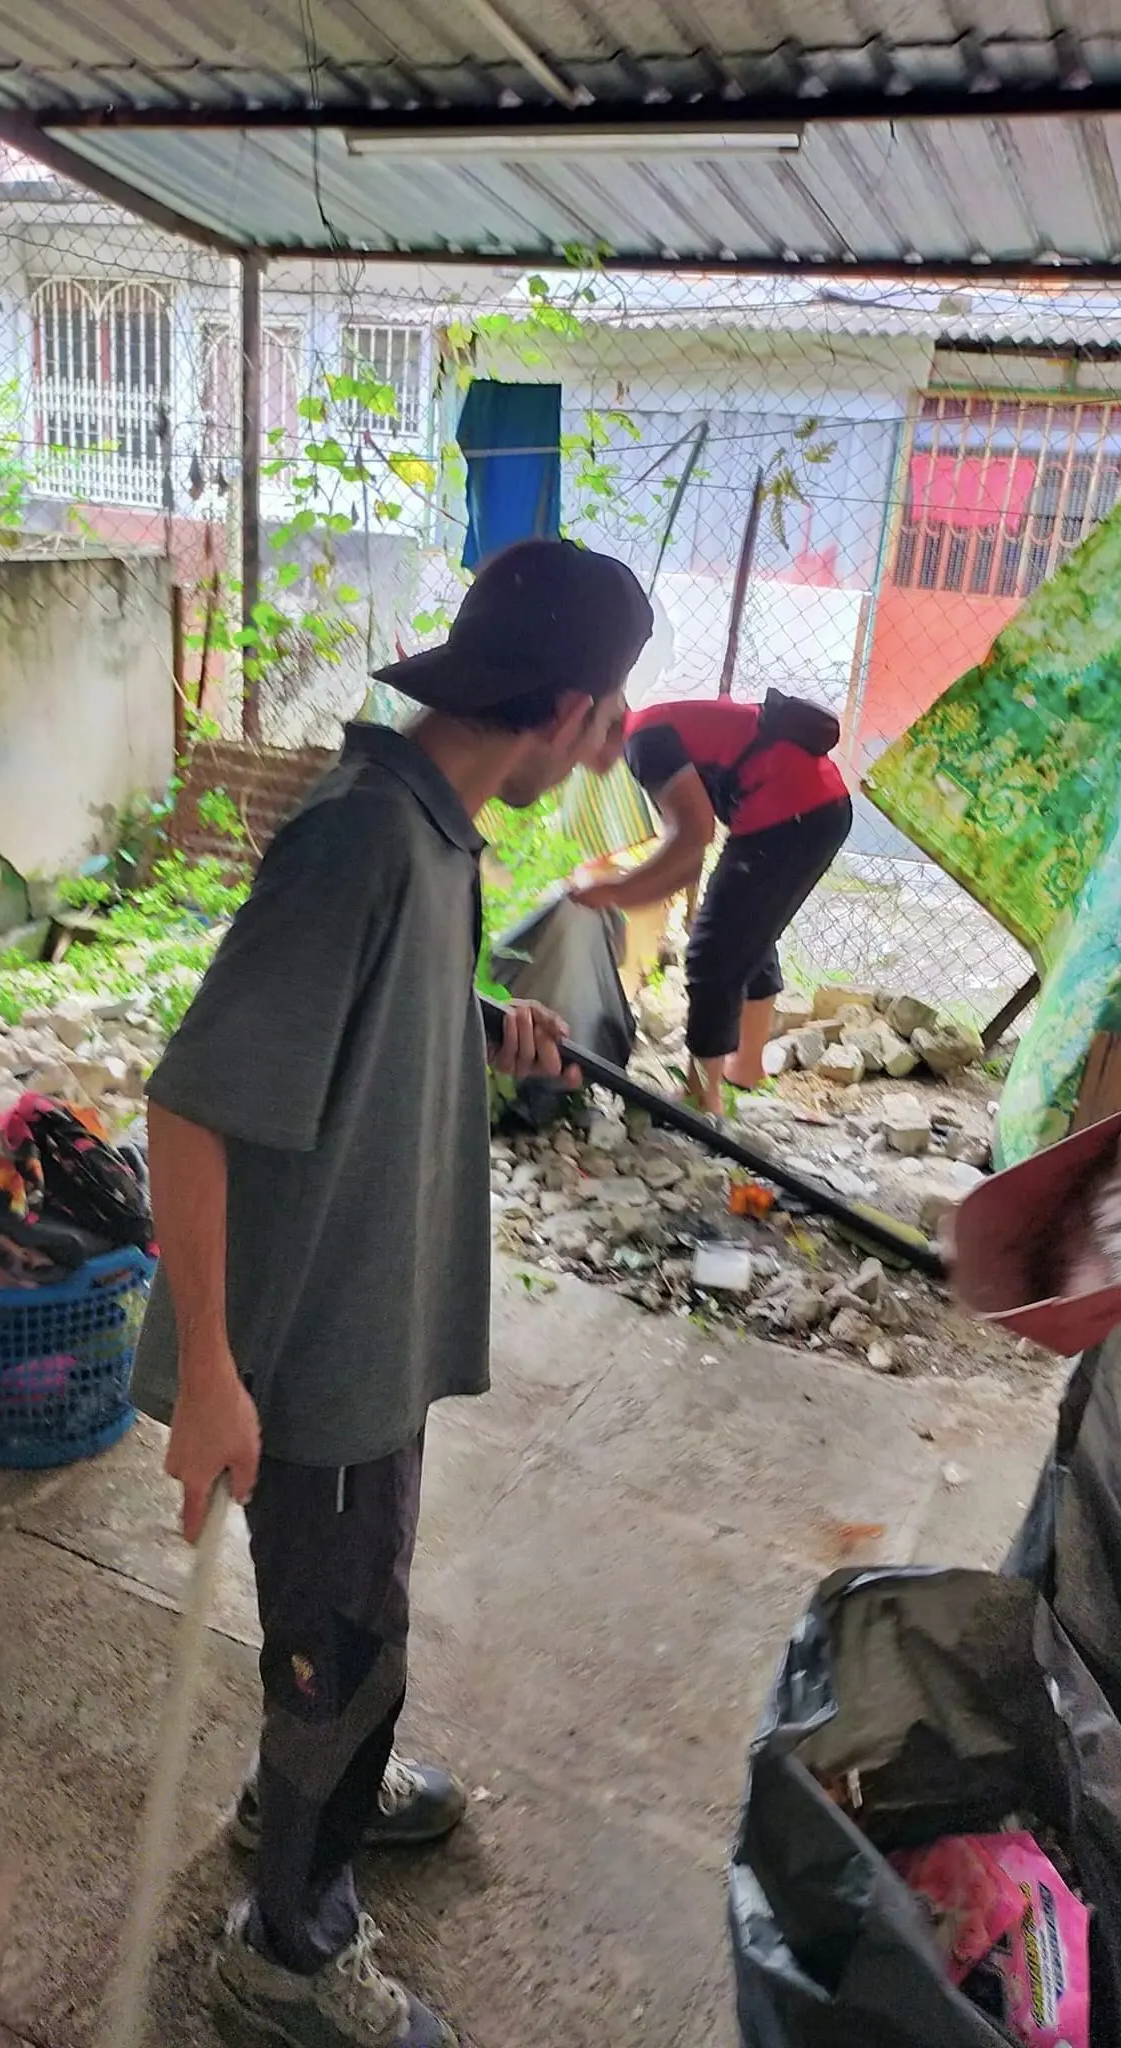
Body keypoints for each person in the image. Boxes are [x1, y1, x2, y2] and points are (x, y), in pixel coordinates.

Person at [132, 538, 654, 2048]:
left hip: (375, 1306)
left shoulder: (437, 824)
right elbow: (188, 1108)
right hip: (312, 1352)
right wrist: (219, 1371)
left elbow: (365, 1000)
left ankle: (293, 1788)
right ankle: (289, 1953)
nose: (615, 739)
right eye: (611, 713)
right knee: (349, 1645)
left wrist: (485, 1025)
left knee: (340, 1621)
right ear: (564, 707)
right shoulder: (365, 836)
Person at [572, 691, 853, 1117]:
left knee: (711, 957)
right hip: (817, 807)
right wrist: (668, 901)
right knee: (747, 931)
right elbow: (689, 848)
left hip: (790, 812)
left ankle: (702, 1099)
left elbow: (693, 833)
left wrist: (613, 891)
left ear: (592, 727)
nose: (573, 759)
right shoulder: (652, 727)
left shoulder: (643, 741)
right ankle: (746, 1069)